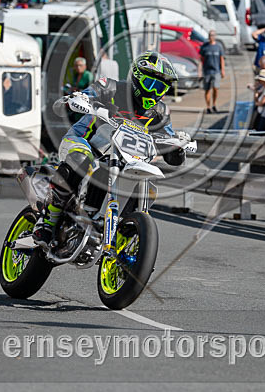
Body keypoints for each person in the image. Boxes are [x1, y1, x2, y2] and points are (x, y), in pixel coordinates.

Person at [33, 52, 187, 246]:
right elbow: (83, 96)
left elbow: (171, 145)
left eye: (162, 88)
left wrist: (176, 149)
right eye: (152, 85)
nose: (156, 93)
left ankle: (124, 239)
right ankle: (47, 220)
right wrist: (80, 100)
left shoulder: (161, 112)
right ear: (137, 78)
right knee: (82, 158)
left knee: (143, 182)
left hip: (124, 157)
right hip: (84, 142)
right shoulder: (111, 87)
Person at [199, 30, 226, 114]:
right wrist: (199, 71)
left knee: (215, 88)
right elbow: (201, 60)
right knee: (207, 89)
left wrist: (222, 70)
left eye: (213, 35)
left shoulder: (218, 47)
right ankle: (208, 106)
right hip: (207, 71)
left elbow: (221, 59)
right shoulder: (205, 47)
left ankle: (214, 104)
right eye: (210, 35)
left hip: (216, 71)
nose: (212, 37)